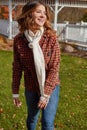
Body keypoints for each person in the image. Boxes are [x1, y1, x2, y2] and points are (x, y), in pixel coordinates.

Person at [12, 1, 60, 130]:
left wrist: (46, 94)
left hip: (51, 87)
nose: (43, 15)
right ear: (28, 14)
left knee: (47, 123)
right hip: (31, 87)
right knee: (32, 119)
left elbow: (54, 67)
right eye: (38, 12)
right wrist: (15, 92)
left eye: (44, 13)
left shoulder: (51, 37)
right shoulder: (19, 40)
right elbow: (17, 67)